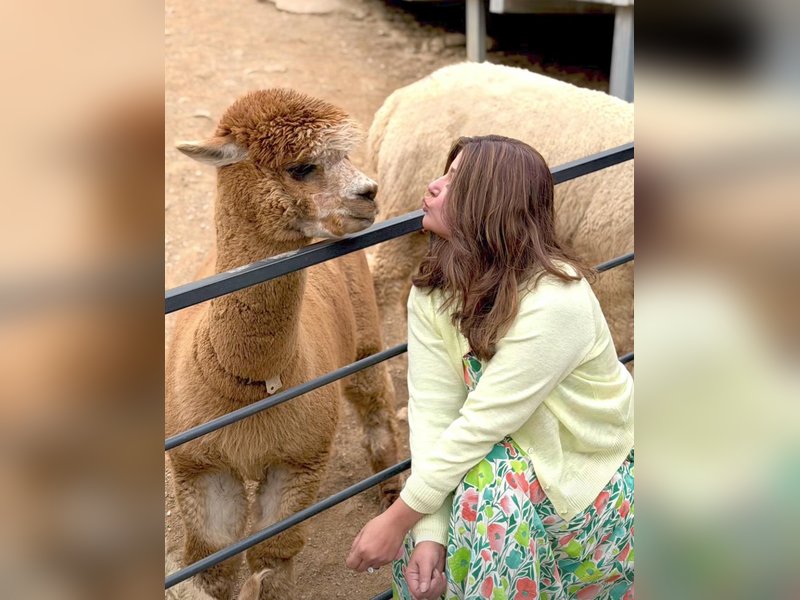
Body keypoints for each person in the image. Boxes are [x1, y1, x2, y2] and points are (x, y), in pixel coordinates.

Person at [345, 135, 634, 599]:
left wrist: (398, 518)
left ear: (492, 204)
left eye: (456, 181)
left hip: (584, 470)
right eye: (444, 172)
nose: (434, 185)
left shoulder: (557, 300)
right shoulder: (434, 294)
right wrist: (428, 534)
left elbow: (482, 423)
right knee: (474, 487)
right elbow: (434, 410)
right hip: (503, 458)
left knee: (484, 485)